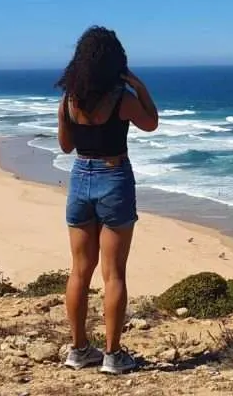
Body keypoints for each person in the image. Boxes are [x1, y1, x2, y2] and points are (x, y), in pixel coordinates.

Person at [55, 26, 159, 374]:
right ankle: (113, 356)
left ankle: (78, 349)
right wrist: (140, 86)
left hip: (79, 178)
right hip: (114, 178)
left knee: (79, 271)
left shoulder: (69, 99)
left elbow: (66, 146)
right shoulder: (123, 98)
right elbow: (152, 123)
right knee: (113, 274)